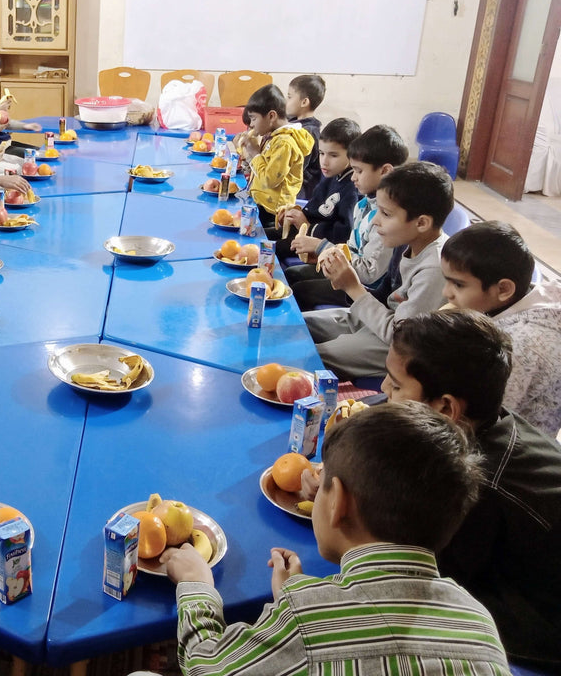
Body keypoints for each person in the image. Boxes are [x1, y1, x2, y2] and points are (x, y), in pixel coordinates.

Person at [150, 401, 508, 676]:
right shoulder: (478, 621)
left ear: (337, 501)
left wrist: (197, 586)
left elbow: (206, 666)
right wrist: (301, 597)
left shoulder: (305, 621)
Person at [381, 310, 561, 665]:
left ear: (446, 407)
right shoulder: (486, 421)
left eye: (396, 385)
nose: (383, 390)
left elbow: (428, 571)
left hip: (535, 626)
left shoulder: (474, 484)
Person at [304, 161, 453, 379]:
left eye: (385, 214)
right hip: (380, 321)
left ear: (421, 223)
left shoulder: (434, 267)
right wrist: (340, 275)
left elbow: (402, 337)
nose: (375, 222)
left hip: (399, 345)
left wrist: (353, 287)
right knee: (299, 326)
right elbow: (383, 298)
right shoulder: (407, 241)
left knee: (310, 357)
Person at [440, 222, 561, 438]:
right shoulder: (503, 306)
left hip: (509, 454)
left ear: (504, 289)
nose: (446, 292)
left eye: (458, 285)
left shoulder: (523, 348)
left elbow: (484, 420)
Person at [286, 124, 409, 310]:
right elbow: (350, 247)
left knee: (301, 290)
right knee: (292, 274)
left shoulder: (388, 218)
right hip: (348, 269)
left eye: (359, 171)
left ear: (385, 171)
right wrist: (325, 255)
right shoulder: (363, 204)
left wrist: (322, 247)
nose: (353, 177)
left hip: (365, 289)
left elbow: (369, 273)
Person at [272, 117, 359, 261]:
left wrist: (306, 225)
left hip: (319, 244)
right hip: (304, 232)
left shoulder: (351, 189)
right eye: (322, 153)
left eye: (333, 155)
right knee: (261, 233)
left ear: (353, 155)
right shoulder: (331, 174)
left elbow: (344, 234)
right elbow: (314, 209)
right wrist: (294, 215)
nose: (324, 161)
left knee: (266, 249)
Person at [238, 84, 315, 231]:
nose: (252, 125)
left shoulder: (284, 143)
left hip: (272, 214)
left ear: (271, 116)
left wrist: (254, 153)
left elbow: (269, 180)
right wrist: (247, 153)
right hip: (261, 204)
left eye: (254, 119)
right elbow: (260, 170)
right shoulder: (273, 137)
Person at [0, 49, 41, 156]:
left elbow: (4, 122)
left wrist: (25, 126)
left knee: (41, 151)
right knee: (38, 156)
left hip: (5, 143)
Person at [285, 74, 326, 199]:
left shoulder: (307, 133)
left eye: (289, 97)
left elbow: (293, 171)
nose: (286, 102)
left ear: (304, 102)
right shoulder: (293, 123)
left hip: (300, 195)